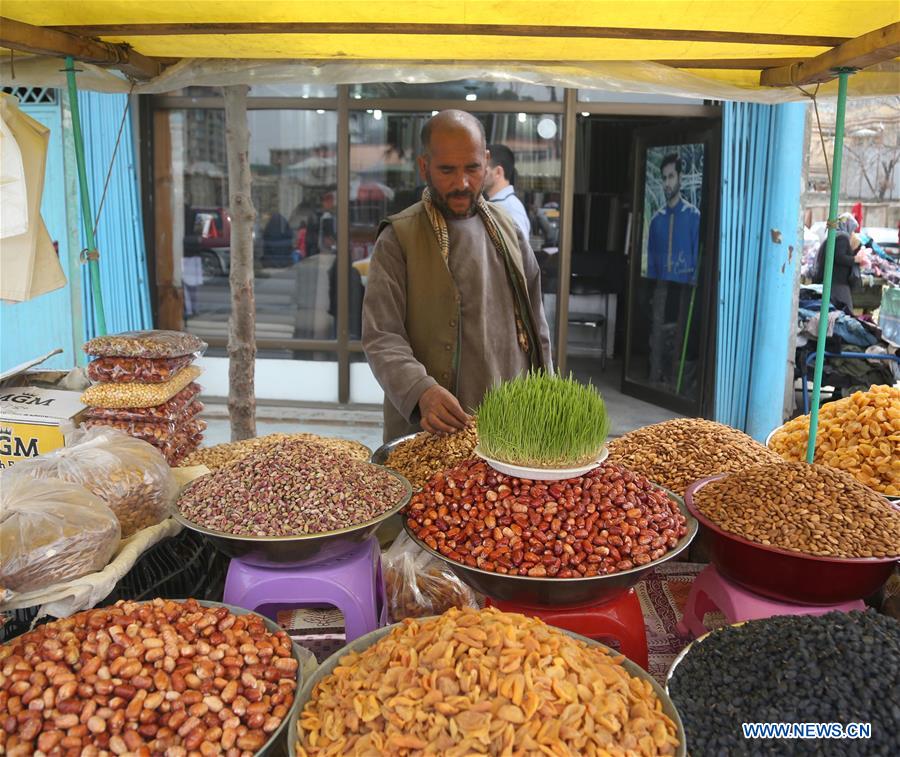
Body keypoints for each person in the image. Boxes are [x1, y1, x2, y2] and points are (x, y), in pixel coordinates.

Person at [362, 110, 552, 442]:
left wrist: (548, 398)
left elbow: (537, 325)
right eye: (447, 170)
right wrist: (421, 391)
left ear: (488, 162)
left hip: (510, 429)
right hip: (429, 434)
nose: (462, 183)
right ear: (424, 167)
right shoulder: (398, 239)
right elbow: (381, 337)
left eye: (472, 168)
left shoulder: (509, 230)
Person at [646, 153, 701, 388]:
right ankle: (654, 377)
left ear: (679, 177)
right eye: (664, 178)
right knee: (657, 335)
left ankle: (674, 381)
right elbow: (651, 262)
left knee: (680, 337)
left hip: (684, 288)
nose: (668, 183)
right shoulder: (656, 220)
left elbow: (697, 256)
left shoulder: (693, 216)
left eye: (672, 176)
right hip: (661, 286)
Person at [813, 213, 865, 311]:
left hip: (832, 282)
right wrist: (855, 259)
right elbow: (839, 257)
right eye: (853, 229)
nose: (853, 233)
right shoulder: (842, 237)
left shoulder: (833, 235)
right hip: (838, 284)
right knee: (846, 311)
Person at [483, 143, 531, 241]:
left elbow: (518, 253)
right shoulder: (501, 204)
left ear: (498, 172)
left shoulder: (510, 208)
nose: (478, 175)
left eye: (484, 170)